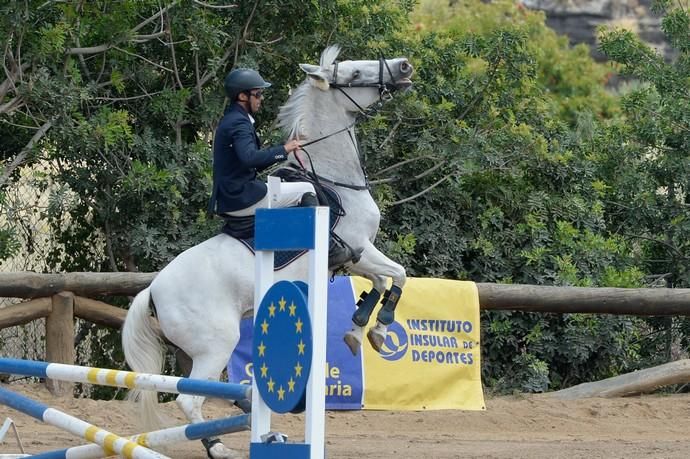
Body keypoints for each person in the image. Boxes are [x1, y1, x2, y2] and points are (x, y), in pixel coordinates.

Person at [209, 68, 358, 268]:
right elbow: (250, 158)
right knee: (306, 190)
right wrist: (284, 149)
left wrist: (284, 149)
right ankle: (329, 250)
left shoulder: (233, 119)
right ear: (242, 96)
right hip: (239, 196)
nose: (261, 99)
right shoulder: (239, 123)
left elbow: (248, 159)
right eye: (258, 94)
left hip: (230, 195)